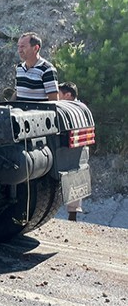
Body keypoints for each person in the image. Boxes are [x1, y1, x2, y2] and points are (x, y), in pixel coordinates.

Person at [59, 81, 85, 221]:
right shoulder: (81, 107)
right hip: (78, 149)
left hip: (71, 149)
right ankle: (72, 213)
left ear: (68, 95)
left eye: (60, 94)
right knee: (76, 177)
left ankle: (72, 214)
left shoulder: (70, 108)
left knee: (74, 177)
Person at [12, 32, 59, 101]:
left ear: (36, 48)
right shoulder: (19, 68)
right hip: (19, 111)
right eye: (18, 46)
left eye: (22, 46)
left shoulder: (47, 69)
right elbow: (18, 92)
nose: (19, 50)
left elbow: (54, 100)